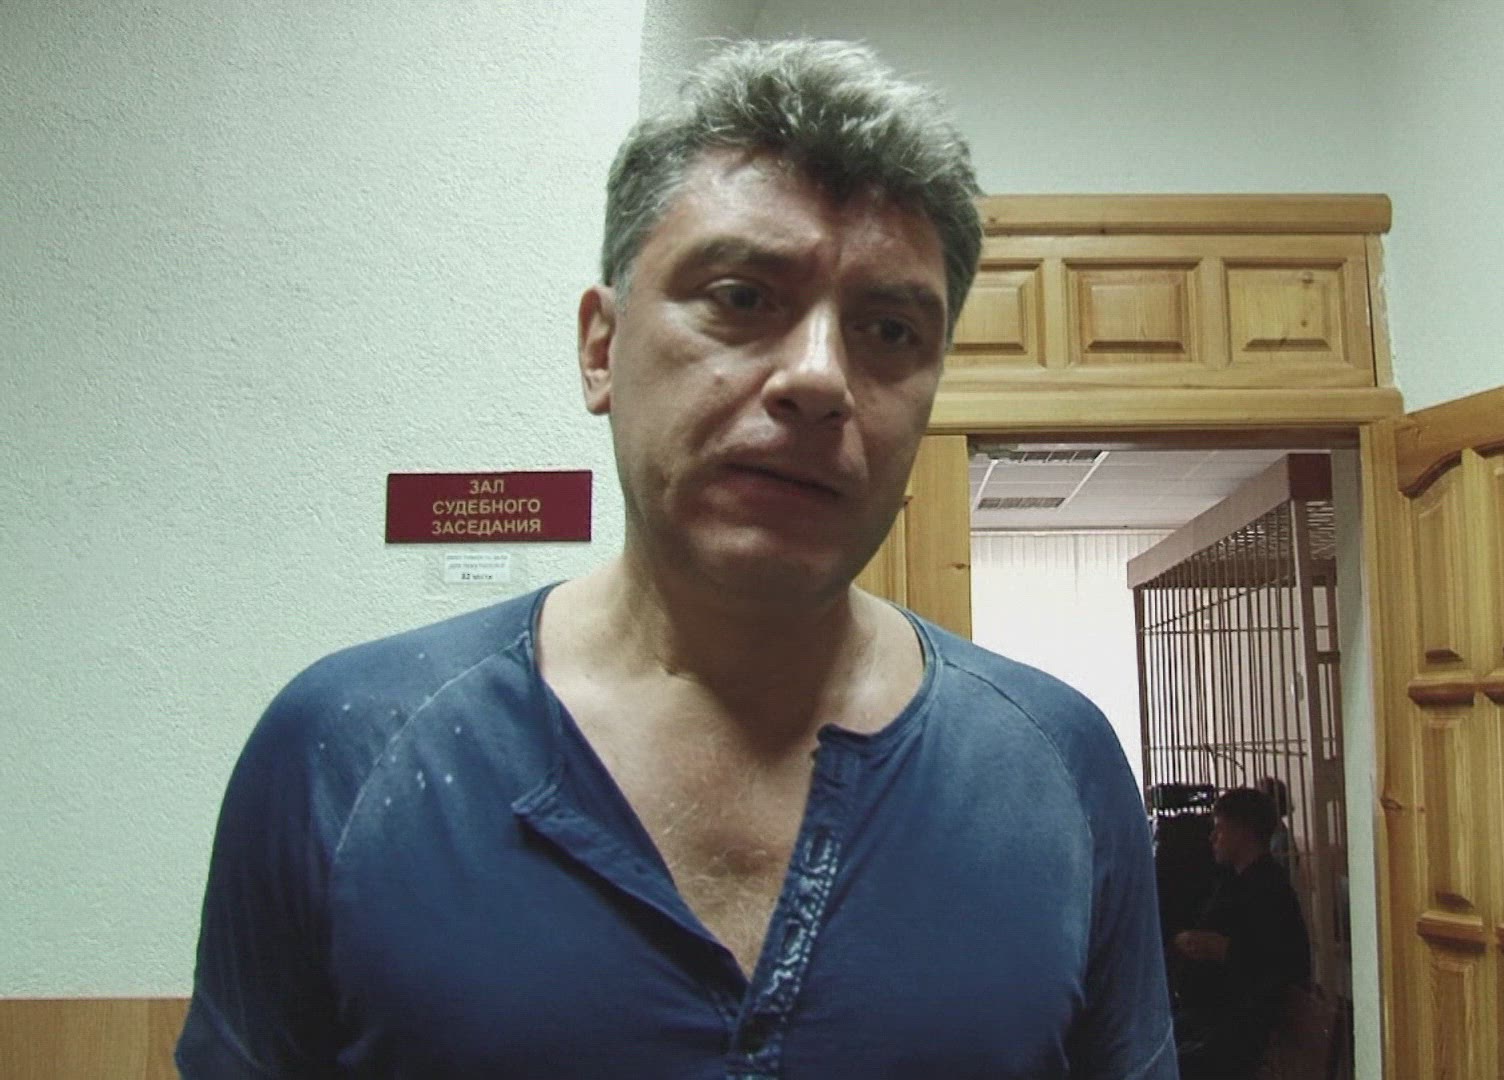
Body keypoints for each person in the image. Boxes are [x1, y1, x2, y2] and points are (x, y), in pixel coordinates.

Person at [177, 39, 1174, 1078]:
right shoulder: (347, 749)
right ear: (600, 348)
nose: (818, 379)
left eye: (888, 330)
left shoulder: (1056, 770)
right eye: (741, 297)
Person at [1170, 787, 1311, 1080]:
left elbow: (1283, 967)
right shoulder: (1239, 880)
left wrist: (1224, 949)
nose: (1212, 838)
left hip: (1240, 1032)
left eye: (1219, 829)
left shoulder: (1267, 890)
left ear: (1242, 833)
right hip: (1219, 1020)